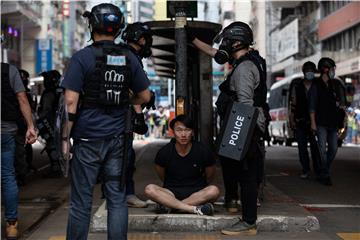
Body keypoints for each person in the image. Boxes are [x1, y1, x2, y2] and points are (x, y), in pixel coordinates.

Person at [61, 3, 151, 239]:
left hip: (87, 138)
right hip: (118, 140)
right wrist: (124, 100)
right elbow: (145, 96)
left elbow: (70, 102)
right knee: (117, 199)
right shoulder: (130, 58)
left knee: (81, 201)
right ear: (118, 28)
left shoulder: (82, 58)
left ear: (92, 26)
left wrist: (64, 140)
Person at [190, 22, 267, 235]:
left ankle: (248, 221)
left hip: (245, 125)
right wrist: (194, 40)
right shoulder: (249, 60)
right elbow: (216, 53)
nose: (224, 44)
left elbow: (245, 104)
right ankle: (235, 203)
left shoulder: (244, 69)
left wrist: (238, 137)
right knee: (235, 166)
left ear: (237, 42)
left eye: (227, 40)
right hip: (247, 125)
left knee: (247, 174)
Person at [144, 115, 220, 216]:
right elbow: (161, 174)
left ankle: (171, 206)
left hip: (197, 192)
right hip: (171, 192)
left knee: (214, 190)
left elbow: (209, 174)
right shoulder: (165, 152)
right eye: (179, 130)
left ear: (192, 132)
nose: (183, 134)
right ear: (173, 132)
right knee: (149, 189)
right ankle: (194, 209)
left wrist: (169, 202)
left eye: (187, 130)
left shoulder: (203, 150)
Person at [1, 62, 37, 239]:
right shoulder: (9, 70)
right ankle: (11, 224)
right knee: (7, 175)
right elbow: (22, 98)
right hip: (6, 130)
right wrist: (30, 126)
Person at [121, 21, 155, 208]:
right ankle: (125, 195)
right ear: (141, 39)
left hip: (106, 117)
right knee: (125, 158)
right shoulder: (131, 57)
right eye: (146, 40)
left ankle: (119, 194)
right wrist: (139, 115)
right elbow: (133, 91)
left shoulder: (120, 53)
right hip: (120, 118)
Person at [309, 57, 344, 186]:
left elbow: (340, 103)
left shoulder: (335, 85)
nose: (334, 71)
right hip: (320, 123)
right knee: (322, 149)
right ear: (326, 69)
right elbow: (312, 106)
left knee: (334, 149)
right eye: (332, 68)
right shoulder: (316, 85)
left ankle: (324, 170)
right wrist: (313, 122)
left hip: (333, 123)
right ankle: (324, 174)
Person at [289, 61, 320, 179]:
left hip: (315, 122)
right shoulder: (298, 87)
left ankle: (318, 170)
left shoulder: (318, 85)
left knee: (315, 147)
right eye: (307, 70)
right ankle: (305, 169)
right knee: (302, 148)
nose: (310, 73)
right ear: (304, 72)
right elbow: (293, 104)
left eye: (312, 70)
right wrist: (292, 120)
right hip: (301, 121)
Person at [37, 70, 62, 176]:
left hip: (50, 123)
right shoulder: (60, 91)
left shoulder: (49, 93)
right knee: (58, 145)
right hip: (59, 123)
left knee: (52, 146)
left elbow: (45, 110)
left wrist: (40, 120)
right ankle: (59, 167)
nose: (44, 82)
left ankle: (56, 169)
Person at [15, 69, 37, 185]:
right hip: (16, 125)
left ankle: (22, 173)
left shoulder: (26, 93)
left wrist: (30, 125)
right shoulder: (20, 92)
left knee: (22, 149)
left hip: (19, 125)